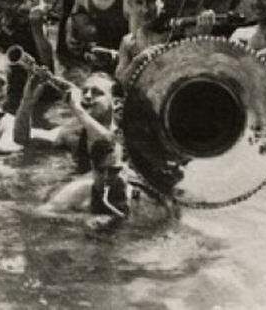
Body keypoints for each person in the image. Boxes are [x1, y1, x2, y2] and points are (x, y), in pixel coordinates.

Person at [13, 70, 162, 229]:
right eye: (84, 91)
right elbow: (22, 139)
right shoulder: (73, 132)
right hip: (87, 201)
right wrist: (27, 100)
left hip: (130, 203)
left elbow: (108, 141)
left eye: (97, 93)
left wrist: (77, 108)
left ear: (117, 103)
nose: (88, 96)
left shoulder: (131, 132)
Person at [114, 0, 169, 85]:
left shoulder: (176, 32)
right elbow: (121, 82)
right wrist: (138, 60)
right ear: (131, 5)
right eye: (139, 2)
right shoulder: (128, 42)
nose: (145, 9)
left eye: (150, 1)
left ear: (161, 1)